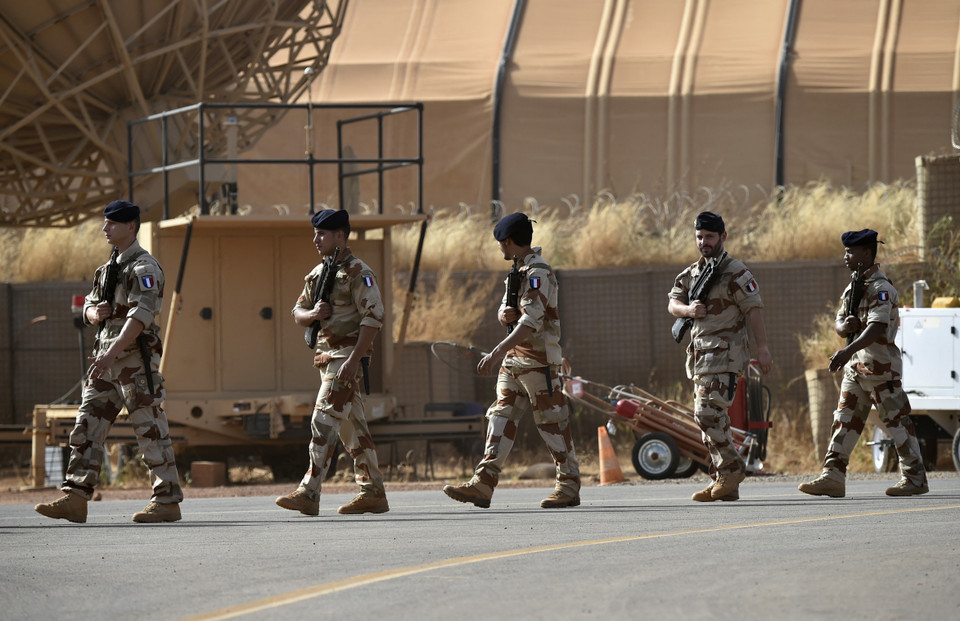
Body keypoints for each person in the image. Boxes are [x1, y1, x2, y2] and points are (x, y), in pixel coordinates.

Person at [35, 200, 183, 523]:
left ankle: (167, 500)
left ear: (131, 227)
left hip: (133, 365)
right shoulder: (106, 270)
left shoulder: (145, 268)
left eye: (112, 224)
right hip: (105, 364)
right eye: (105, 223)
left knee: (150, 430)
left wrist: (111, 353)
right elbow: (88, 305)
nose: (105, 229)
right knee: (87, 425)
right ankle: (75, 496)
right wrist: (92, 313)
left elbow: (141, 317)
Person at [442, 212, 581, 509]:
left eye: (500, 244)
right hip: (516, 361)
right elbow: (511, 312)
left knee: (551, 423)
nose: (499, 249)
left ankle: (568, 485)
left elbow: (530, 323)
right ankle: (483, 483)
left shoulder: (538, 272)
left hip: (539, 362)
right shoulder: (518, 271)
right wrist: (502, 315)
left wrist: (496, 352)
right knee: (500, 418)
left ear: (508, 241)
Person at [276, 209, 389, 515]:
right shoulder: (317, 274)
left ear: (340, 235)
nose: (316, 239)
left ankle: (309, 491)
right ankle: (373, 492)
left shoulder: (358, 272)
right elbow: (297, 312)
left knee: (322, 420)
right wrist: (314, 315)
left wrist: (354, 359)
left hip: (345, 361)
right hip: (326, 360)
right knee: (353, 429)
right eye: (315, 233)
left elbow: (373, 318)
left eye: (322, 234)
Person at [799, 229, 929, 498]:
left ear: (866, 253)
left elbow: (878, 328)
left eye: (850, 252)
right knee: (844, 421)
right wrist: (842, 326)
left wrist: (846, 350)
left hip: (880, 369)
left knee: (897, 423)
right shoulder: (853, 287)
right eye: (845, 251)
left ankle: (915, 478)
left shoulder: (882, 288)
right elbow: (840, 322)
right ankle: (832, 477)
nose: (845, 257)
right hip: (856, 370)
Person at [668, 211, 773, 502]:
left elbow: (754, 310)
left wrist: (762, 349)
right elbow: (673, 302)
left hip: (726, 356)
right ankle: (723, 480)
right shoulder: (693, 272)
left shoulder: (735, 272)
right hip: (701, 358)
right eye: (699, 237)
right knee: (711, 421)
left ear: (723, 237)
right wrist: (688, 311)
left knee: (707, 414)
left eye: (709, 237)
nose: (704, 242)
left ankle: (731, 468)